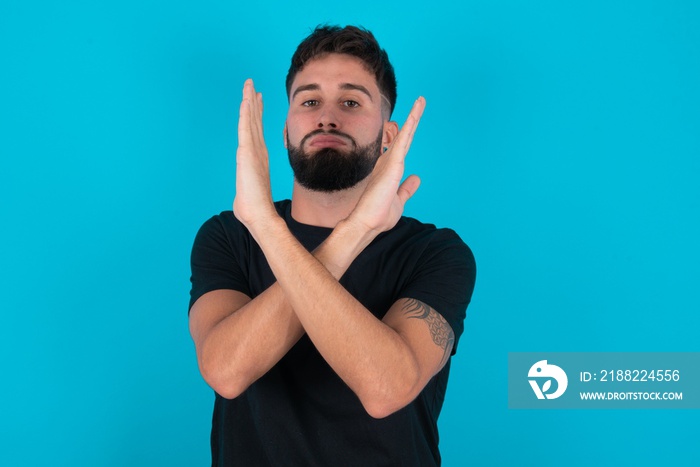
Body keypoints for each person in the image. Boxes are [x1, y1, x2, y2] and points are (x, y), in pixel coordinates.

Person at [189, 25, 476, 466]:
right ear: (285, 131)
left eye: (350, 102)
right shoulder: (231, 236)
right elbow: (226, 372)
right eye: (309, 101)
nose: (327, 117)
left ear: (388, 136)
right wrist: (276, 225)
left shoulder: (435, 252)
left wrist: (282, 225)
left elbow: (386, 389)